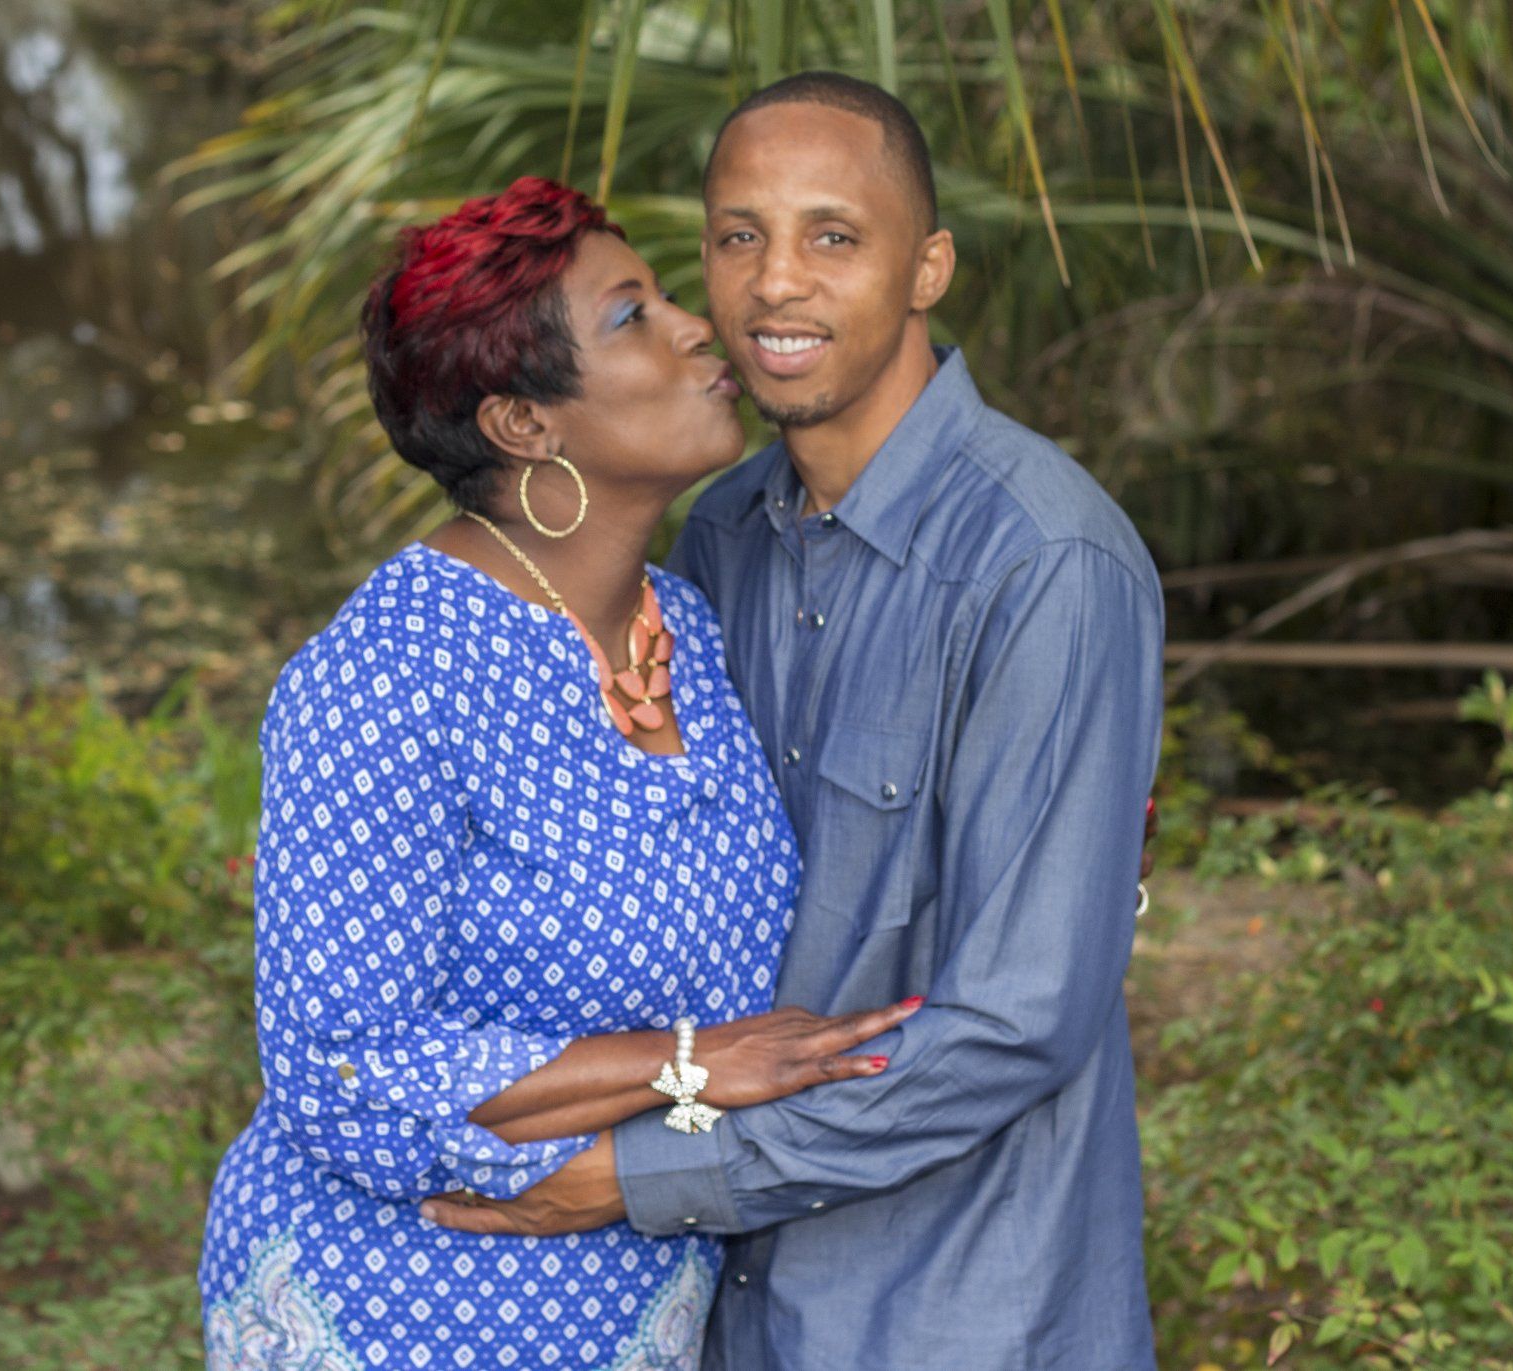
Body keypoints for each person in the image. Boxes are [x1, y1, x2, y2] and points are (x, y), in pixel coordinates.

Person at [423, 74, 1167, 1369]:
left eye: (835, 235)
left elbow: (1021, 1014)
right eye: (737, 235)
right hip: (726, 1308)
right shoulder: (716, 538)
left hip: (962, 1304)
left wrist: (643, 1170)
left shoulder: (1046, 562)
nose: (776, 283)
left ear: (927, 265)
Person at [195, 176, 921, 1370]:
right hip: (405, 1307)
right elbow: (343, 1064)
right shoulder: (390, 674)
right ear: (524, 425)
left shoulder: (687, 621)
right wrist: (684, 1060)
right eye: (632, 315)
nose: (699, 325)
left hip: (638, 1302)